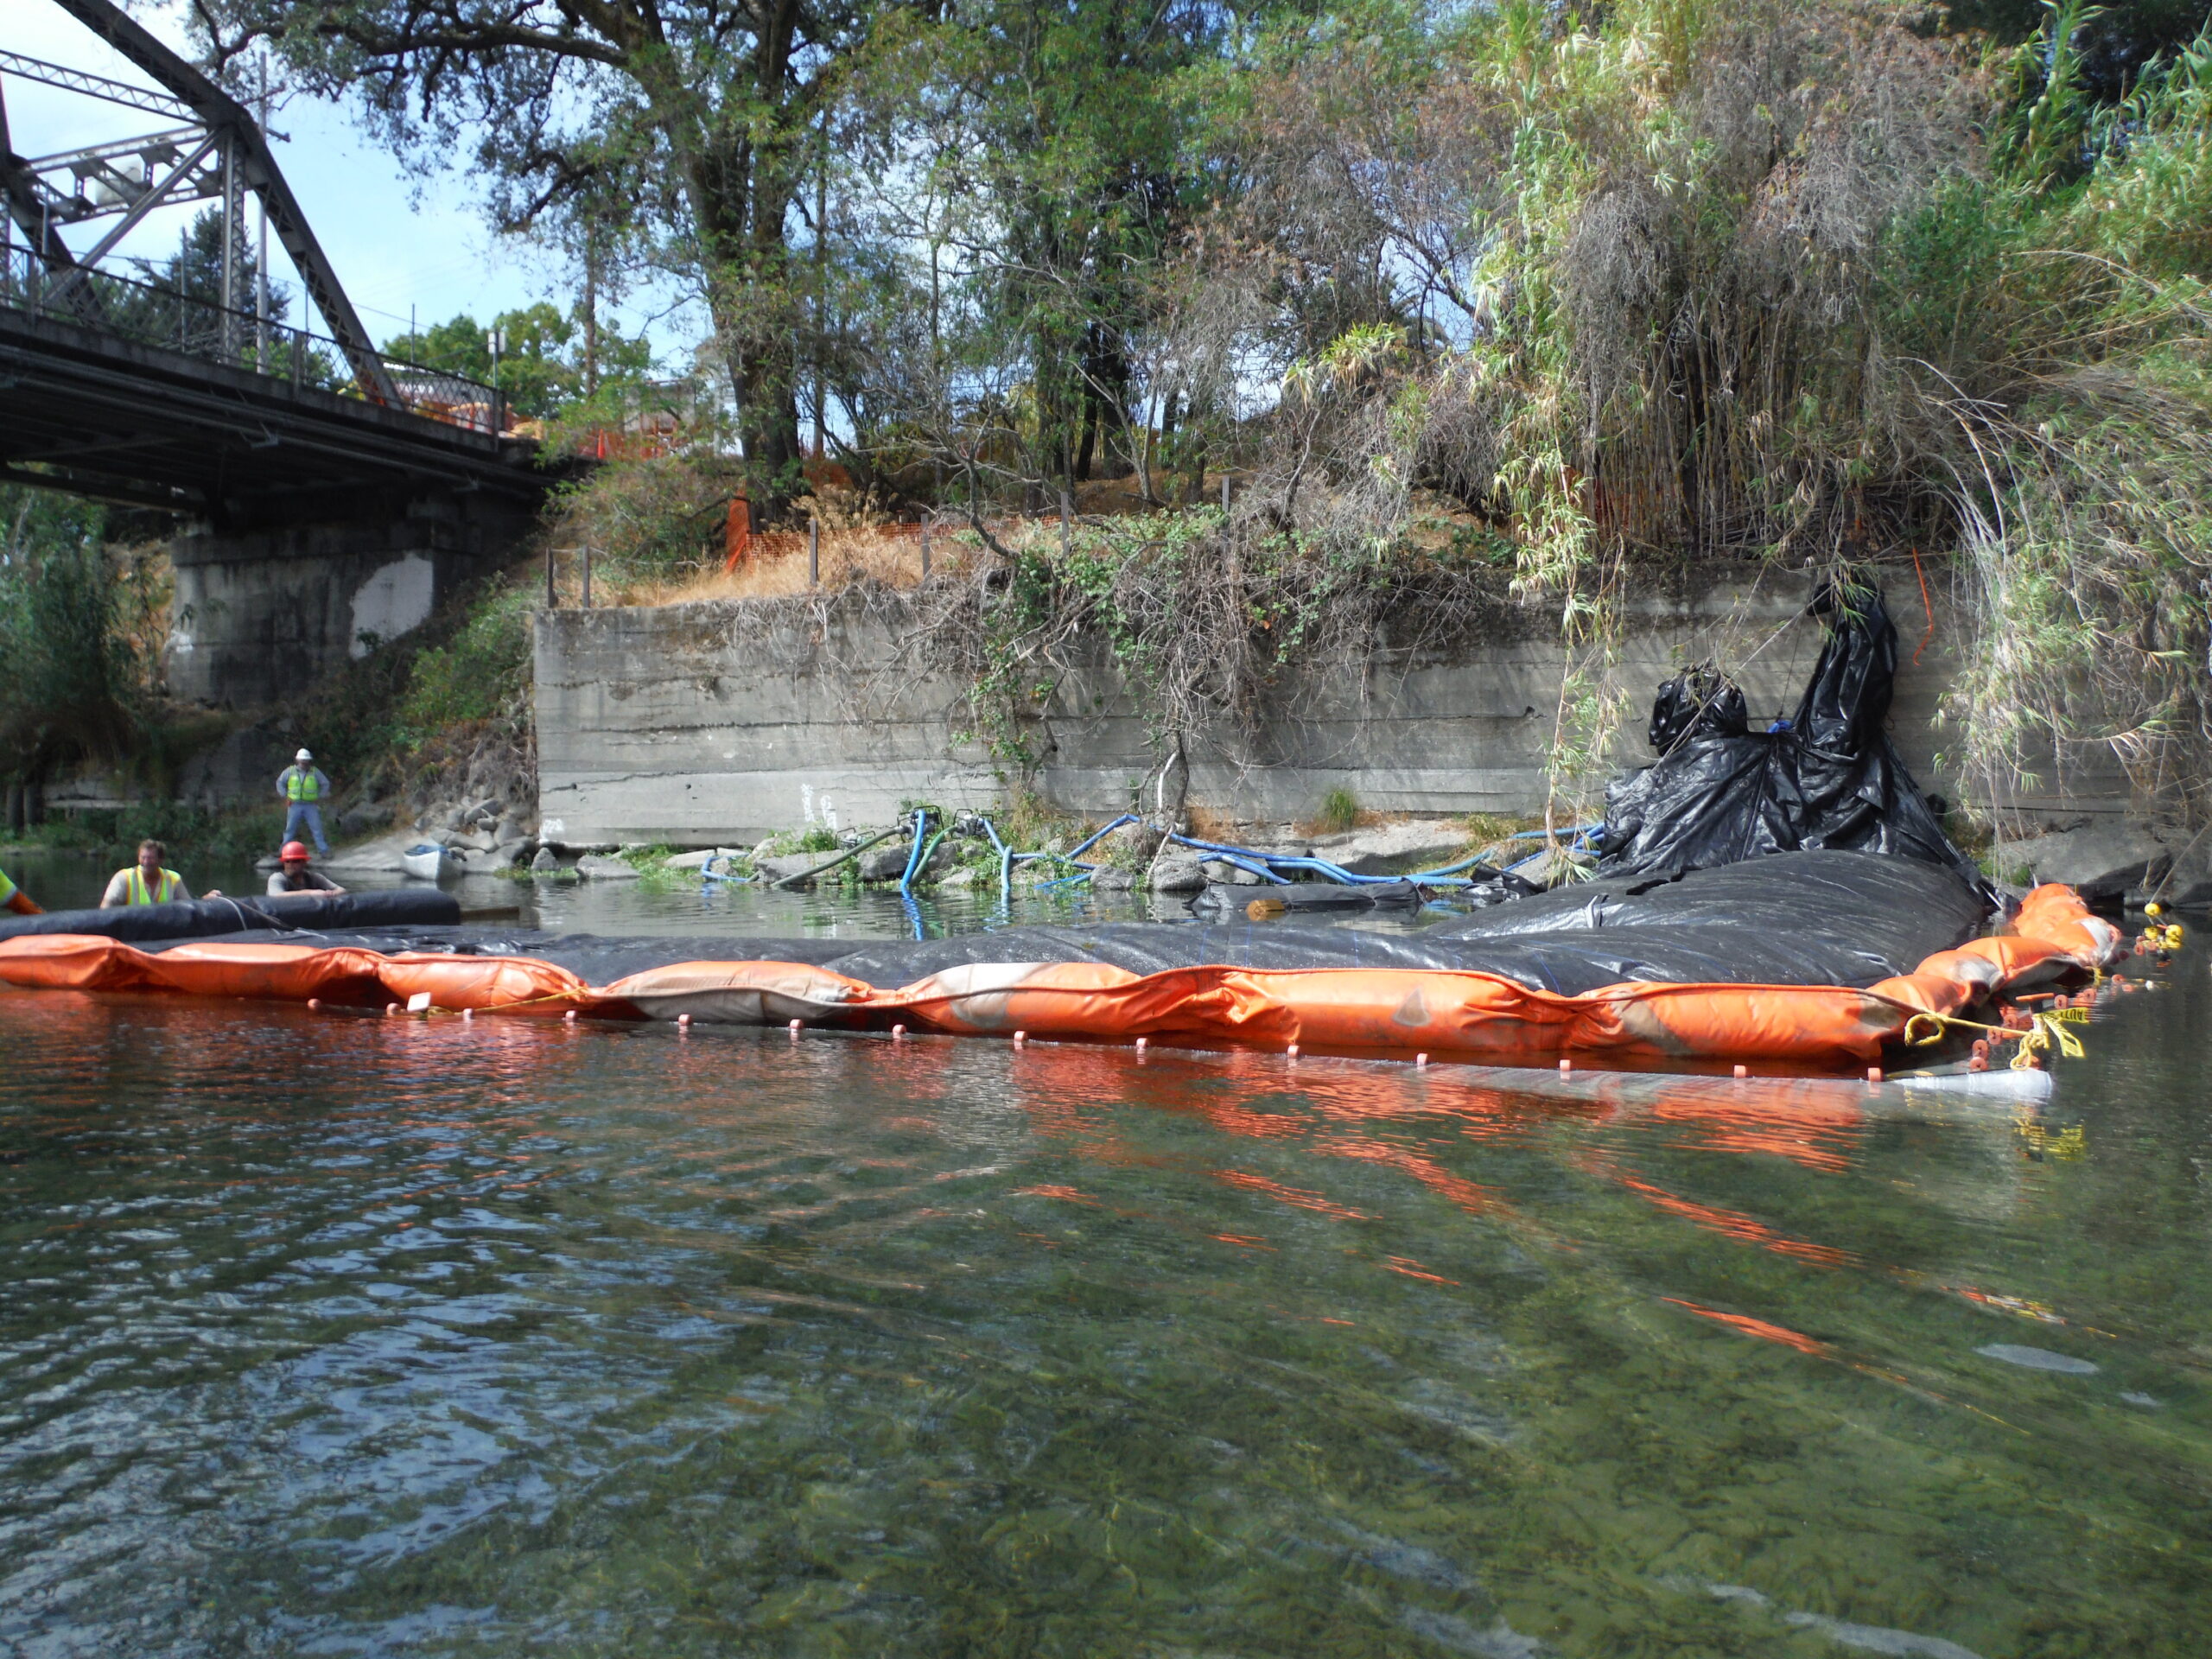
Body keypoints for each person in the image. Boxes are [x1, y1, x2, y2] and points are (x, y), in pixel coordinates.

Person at [100, 839, 204, 908]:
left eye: (151, 858)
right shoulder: (123, 877)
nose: (146, 862)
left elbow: (190, 906)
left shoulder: (174, 879)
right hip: (132, 931)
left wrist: (204, 901)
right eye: (143, 857)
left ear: (161, 860)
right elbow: (106, 906)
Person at [276, 748, 333, 857]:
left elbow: (325, 783)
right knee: (290, 829)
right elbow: (280, 783)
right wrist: (284, 795)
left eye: (306, 760)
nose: (304, 763)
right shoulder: (290, 771)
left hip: (310, 805)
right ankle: (283, 850)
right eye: (302, 760)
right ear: (297, 760)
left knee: (316, 828)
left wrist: (320, 796)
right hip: (294, 805)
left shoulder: (315, 772)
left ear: (309, 761)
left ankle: (324, 851)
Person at [266, 841, 345, 897]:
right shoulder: (276, 878)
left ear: (304, 862)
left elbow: (342, 890)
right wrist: (310, 893)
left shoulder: (314, 878)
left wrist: (330, 894)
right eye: (287, 861)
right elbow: (276, 896)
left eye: (295, 861)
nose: (290, 865)